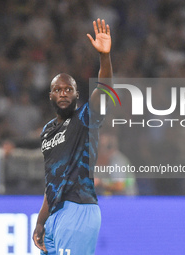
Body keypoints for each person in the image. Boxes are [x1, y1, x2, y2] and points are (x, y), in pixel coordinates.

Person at [33, 18, 112, 255]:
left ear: (77, 95)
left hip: (80, 208)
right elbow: (52, 182)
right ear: (50, 96)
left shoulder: (85, 118)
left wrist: (104, 57)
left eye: (69, 89)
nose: (64, 93)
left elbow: (105, 89)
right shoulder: (47, 131)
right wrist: (40, 221)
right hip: (55, 216)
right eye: (58, 89)